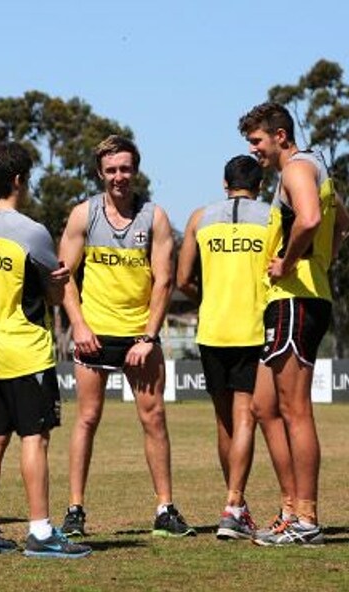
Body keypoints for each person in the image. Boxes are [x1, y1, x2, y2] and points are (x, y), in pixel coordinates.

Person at [58, 135, 194, 537]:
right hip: (94, 335)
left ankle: (165, 509)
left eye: (125, 169)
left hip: (140, 336)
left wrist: (148, 337)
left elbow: (164, 281)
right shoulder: (83, 215)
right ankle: (75, 510)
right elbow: (64, 275)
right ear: (100, 173)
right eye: (112, 170)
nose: (119, 176)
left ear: (136, 170)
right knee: (86, 419)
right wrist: (79, 325)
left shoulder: (154, 217)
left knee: (154, 418)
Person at [0, 143, 90, 558]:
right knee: (34, 439)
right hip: (26, 349)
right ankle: (40, 531)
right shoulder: (30, 231)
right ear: (18, 180)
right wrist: (61, 281)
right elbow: (54, 293)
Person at [238, 102, 349, 546]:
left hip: (294, 300)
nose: (254, 150)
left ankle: (306, 519)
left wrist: (288, 261)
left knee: (295, 409)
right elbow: (342, 223)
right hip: (295, 298)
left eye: (257, 141)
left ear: (280, 136)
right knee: (264, 406)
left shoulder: (297, 169)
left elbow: (312, 219)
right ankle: (290, 509)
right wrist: (323, 259)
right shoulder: (316, 169)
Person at [175, 155, 274, 539]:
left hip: (212, 330)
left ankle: (236, 506)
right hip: (252, 327)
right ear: (260, 186)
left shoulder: (199, 218)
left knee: (223, 421)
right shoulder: (270, 217)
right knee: (246, 417)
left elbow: (183, 280)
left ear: (224, 183)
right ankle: (233, 505)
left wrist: (209, 298)